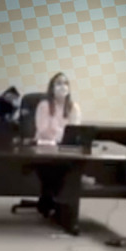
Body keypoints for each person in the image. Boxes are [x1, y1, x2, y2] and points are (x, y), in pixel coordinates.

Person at [32, 73, 82, 219]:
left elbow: (74, 131)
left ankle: (61, 206)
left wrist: (59, 135)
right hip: (44, 148)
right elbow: (43, 130)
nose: (63, 87)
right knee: (52, 168)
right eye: (59, 83)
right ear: (52, 87)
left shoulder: (73, 107)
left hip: (64, 149)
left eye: (65, 83)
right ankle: (51, 202)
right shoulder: (44, 105)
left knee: (70, 168)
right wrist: (59, 135)